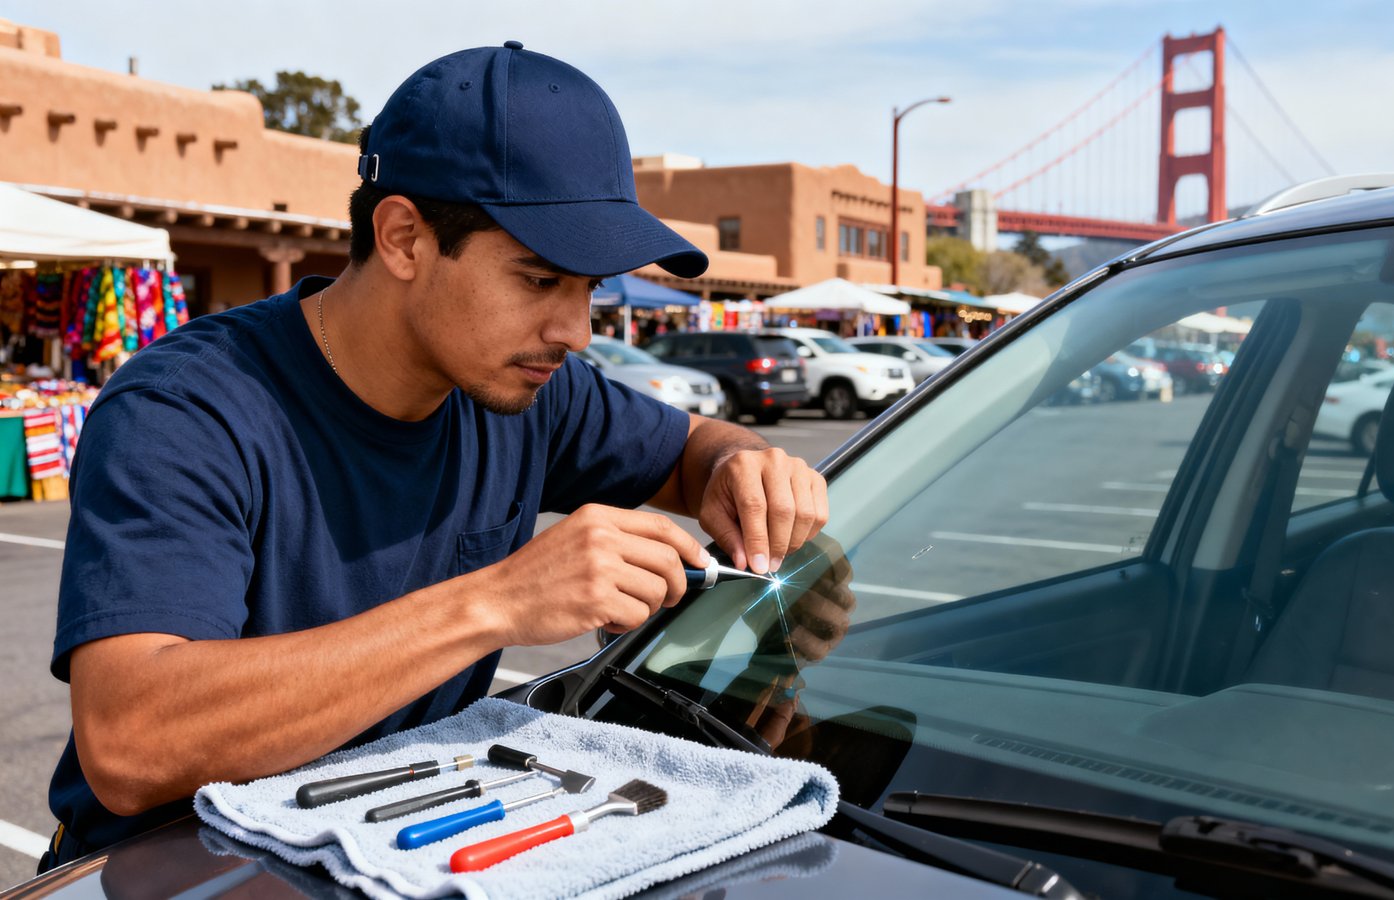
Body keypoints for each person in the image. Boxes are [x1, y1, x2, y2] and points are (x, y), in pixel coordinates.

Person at [40, 43, 826, 871]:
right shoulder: (187, 411)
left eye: (589, 289)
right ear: (405, 238)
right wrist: (496, 602)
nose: (577, 331)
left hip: (405, 855)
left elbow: (696, 450)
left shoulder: (526, 387)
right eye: (539, 280)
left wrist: (747, 465)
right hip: (171, 876)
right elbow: (130, 743)